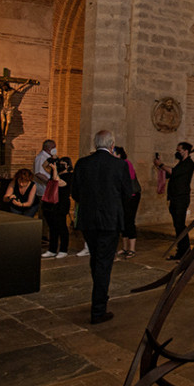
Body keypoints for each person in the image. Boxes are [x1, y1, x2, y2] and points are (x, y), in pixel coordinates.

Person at [71, 129, 132, 324]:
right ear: (112, 145)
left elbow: (75, 193)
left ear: (96, 144)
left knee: (96, 259)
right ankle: (98, 310)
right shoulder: (119, 165)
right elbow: (127, 193)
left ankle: (100, 297)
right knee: (104, 262)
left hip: (88, 221)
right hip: (109, 221)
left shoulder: (82, 164)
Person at [156, 141, 194, 260]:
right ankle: (183, 251)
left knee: (180, 225)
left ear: (185, 151)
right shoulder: (181, 163)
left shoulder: (188, 164)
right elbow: (171, 175)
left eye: (179, 150)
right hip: (175, 198)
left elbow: (174, 172)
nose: (177, 153)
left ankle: (185, 251)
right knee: (178, 226)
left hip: (181, 199)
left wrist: (161, 164)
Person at [39, 158, 69, 258]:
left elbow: (57, 182)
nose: (60, 165)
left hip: (61, 205)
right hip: (50, 204)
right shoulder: (53, 173)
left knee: (61, 227)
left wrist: (55, 169)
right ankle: (52, 249)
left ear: (68, 165)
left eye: (63, 164)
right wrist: (51, 158)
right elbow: (44, 166)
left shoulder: (69, 176)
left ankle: (63, 249)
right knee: (52, 228)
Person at [114, 146, 141, 259]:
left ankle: (132, 249)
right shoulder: (116, 165)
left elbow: (128, 179)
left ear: (119, 155)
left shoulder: (126, 163)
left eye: (114, 153)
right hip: (123, 197)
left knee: (129, 220)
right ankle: (125, 248)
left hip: (131, 196)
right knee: (123, 221)